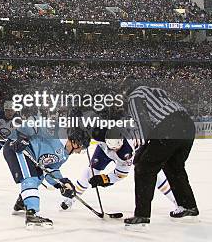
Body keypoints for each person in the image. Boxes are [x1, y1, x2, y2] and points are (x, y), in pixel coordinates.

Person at [124, 83, 199, 229]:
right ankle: (188, 206)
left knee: (144, 168)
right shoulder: (157, 91)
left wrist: (141, 151)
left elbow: (143, 124)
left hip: (169, 127)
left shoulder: (134, 96)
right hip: (188, 125)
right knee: (174, 168)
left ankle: (142, 215)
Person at [61, 130, 177, 211]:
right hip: (103, 149)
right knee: (90, 172)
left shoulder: (127, 152)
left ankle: (176, 199)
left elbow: (121, 174)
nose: (114, 151)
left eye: (117, 148)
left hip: (139, 148)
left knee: (151, 174)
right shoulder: (100, 133)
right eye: (113, 148)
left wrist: (103, 179)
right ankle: (71, 198)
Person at [3, 121, 90, 229]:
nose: (78, 152)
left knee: (39, 176)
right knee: (30, 178)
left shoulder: (65, 155)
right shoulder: (56, 133)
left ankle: (22, 202)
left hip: (32, 156)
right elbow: (34, 121)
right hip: (17, 148)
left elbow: (50, 170)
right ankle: (32, 213)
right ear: (75, 142)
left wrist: (62, 183)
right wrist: (22, 137)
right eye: (80, 148)